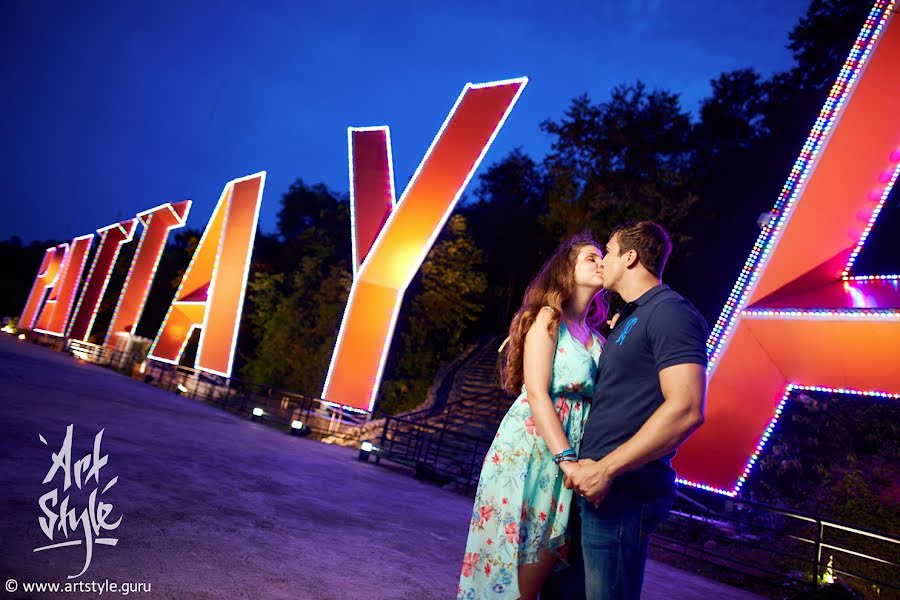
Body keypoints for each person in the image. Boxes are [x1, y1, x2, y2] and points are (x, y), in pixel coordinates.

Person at [457, 233, 609, 600]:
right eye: (591, 257)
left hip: (571, 447)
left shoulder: (597, 337)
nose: (601, 262)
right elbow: (538, 393)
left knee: (543, 562)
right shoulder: (547, 319)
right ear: (567, 271)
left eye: (604, 257)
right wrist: (566, 460)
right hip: (534, 447)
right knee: (516, 562)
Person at [566, 221, 708, 599]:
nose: (603, 261)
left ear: (630, 258)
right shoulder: (632, 316)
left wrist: (606, 468)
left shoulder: (671, 313)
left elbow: (687, 408)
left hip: (624, 492)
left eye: (608, 252)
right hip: (596, 488)